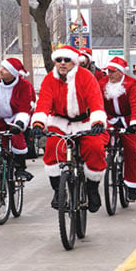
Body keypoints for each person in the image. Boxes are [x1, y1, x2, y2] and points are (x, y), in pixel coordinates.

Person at [30, 45, 107, 211]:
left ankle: (92, 188)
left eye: (66, 60)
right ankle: (58, 190)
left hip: (84, 122)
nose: (62, 63)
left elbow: (95, 100)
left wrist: (98, 122)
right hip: (59, 122)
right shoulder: (50, 79)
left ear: (74, 62)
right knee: (52, 148)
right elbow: (43, 102)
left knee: (95, 148)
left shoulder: (86, 77)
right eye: (59, 60)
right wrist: (38, 123)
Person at [98, 57, 136, 202]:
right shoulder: (102, 84)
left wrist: (135, 124)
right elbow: (97, 103)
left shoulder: (131, 84)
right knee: (98, 144)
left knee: (131, 150)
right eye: (108, 71)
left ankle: (131, 186)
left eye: (112, 71)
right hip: (108, 119)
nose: (109, 74)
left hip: (128, 120)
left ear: (120, 72)